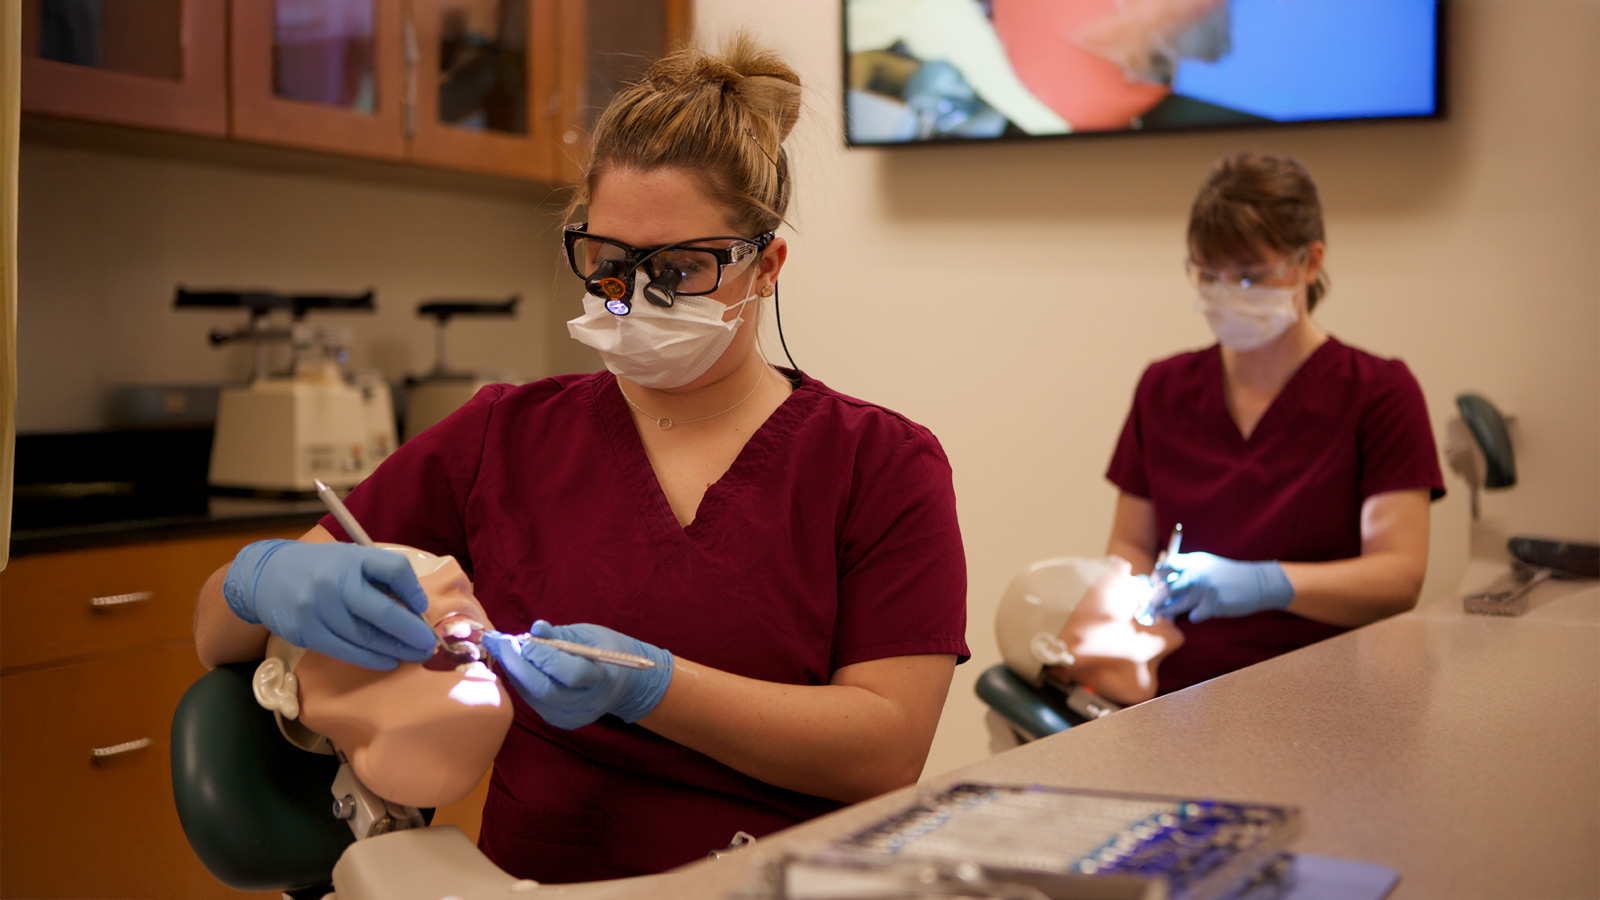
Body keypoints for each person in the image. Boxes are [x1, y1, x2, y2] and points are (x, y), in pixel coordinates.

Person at [193, 35, 968, 884]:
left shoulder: (881, 465)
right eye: (609, 265)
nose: (634, 299)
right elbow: (212, 634)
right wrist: (257, 579)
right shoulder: (504, 436)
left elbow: (885, 752)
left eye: (679, 268)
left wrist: (655, 688)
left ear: (766, 266)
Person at [1102, 151, 1444, 695]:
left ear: (1309, 262)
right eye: (1208, 275)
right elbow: (1130, 544)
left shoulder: (1379, 393)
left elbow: (1398, 578)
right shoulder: (1163, 388)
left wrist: (1267, 583)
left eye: (1248, 276)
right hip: (1179, 703)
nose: (1225, 292)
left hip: (1328, 703)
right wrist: (1133, 596)